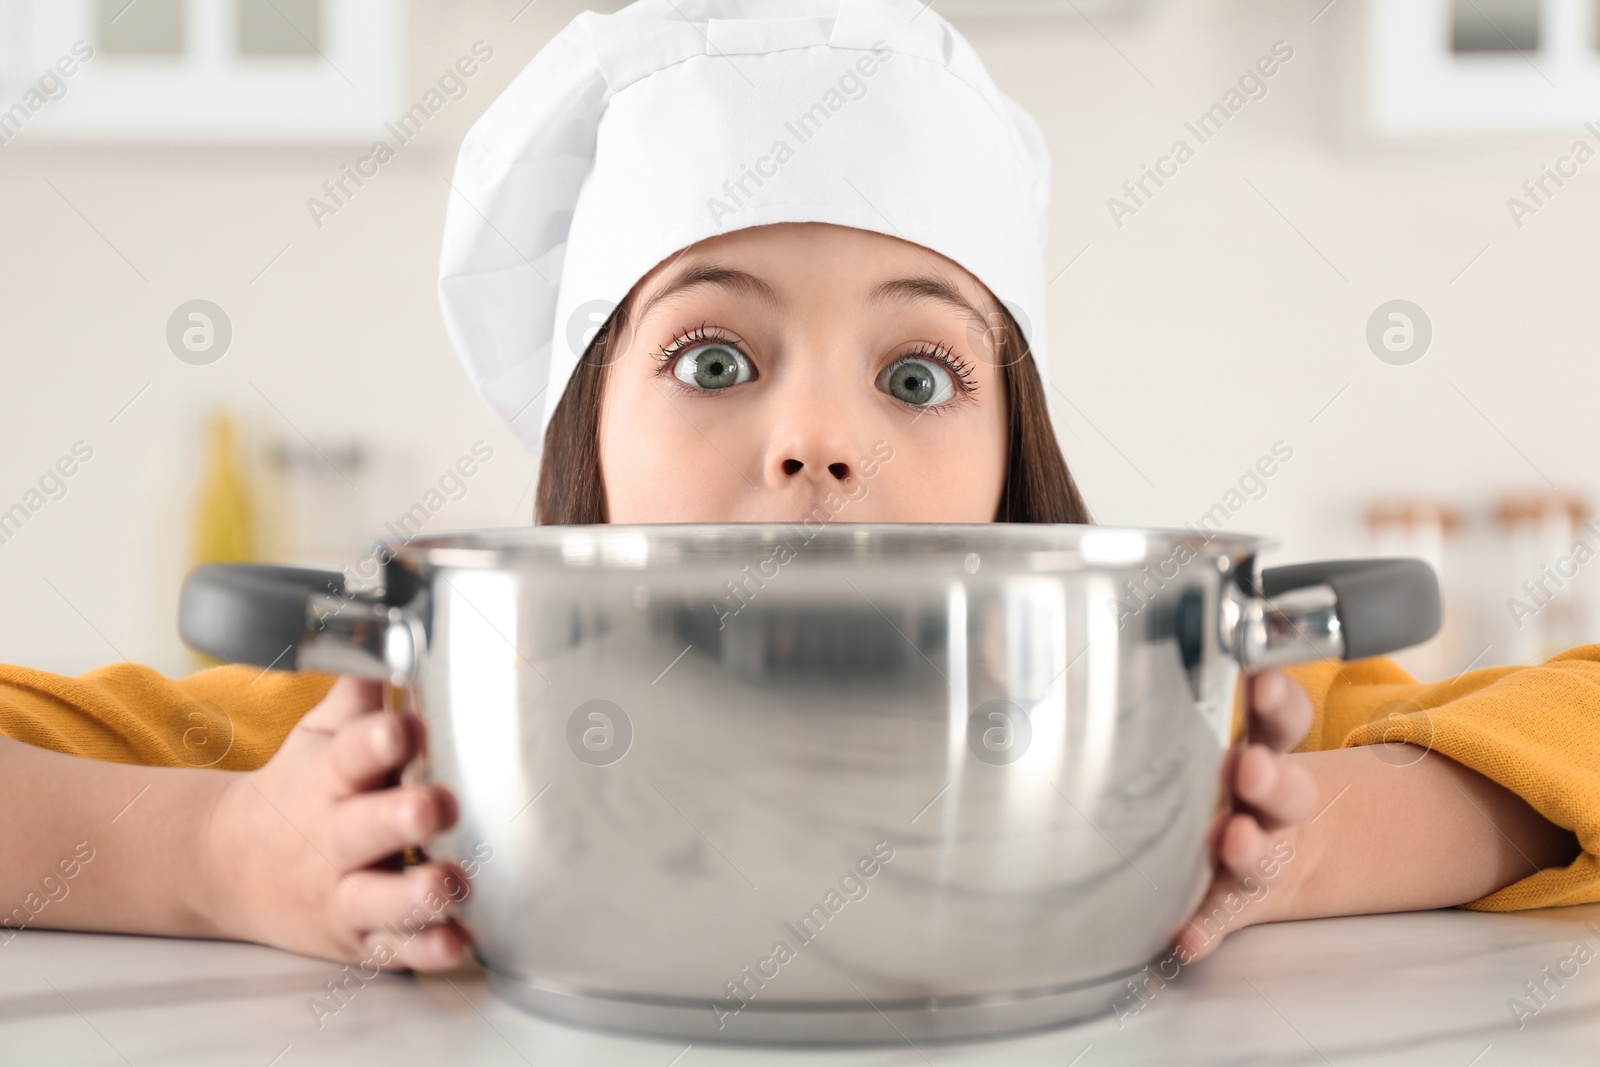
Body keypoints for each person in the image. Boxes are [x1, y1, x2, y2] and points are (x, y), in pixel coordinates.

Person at [1, 0, 1595, 985]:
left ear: (1007, 463)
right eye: (712, 360)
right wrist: (220, 860)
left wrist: (1292, 852)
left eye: (916, 377)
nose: (819, 440)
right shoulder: (410, 744)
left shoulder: (1175, 719)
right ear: (588, 441)